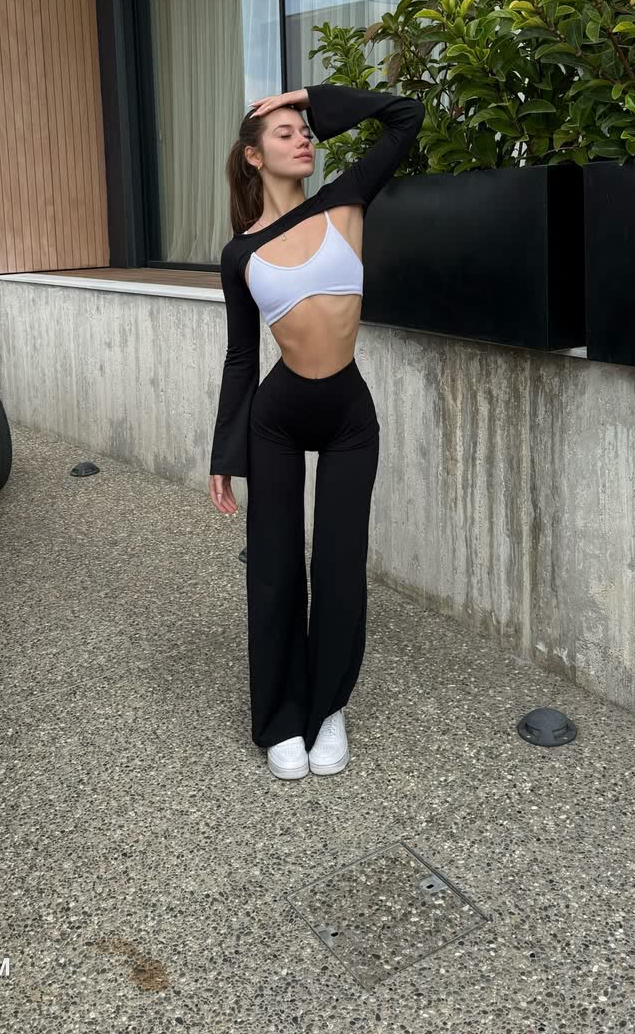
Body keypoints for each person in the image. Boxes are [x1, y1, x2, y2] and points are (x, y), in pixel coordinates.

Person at [208, 80, 425, 780]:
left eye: (306, 129)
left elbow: (405, 115)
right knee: (274, 569)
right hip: (275, 419)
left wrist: (303, 97)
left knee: (338, 566)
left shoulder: (345, 199)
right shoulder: (240, 254)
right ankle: (280, 718)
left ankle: (329, 705)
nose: (302, 137)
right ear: (253, 155)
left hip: (348, 418)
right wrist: (224, 451)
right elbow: (242, 358)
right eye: (285, 132)